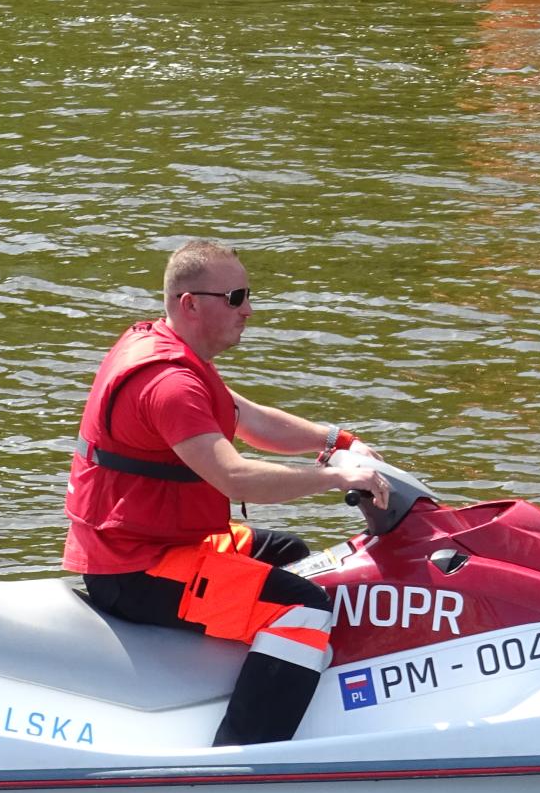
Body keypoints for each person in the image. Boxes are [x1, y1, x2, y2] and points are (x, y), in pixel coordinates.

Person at [63, 239, 388, 746]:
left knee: (289, 553)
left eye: (247, 295)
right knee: (303, 606)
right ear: (189, 304)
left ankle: (256, 679)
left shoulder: (179, 356)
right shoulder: (169, 383)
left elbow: (252, 422)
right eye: (234, 298)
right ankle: (244, 752)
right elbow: (234, 477)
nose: (249, 311)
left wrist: (336, 442)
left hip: (156, 544)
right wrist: (338, 477)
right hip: (133, 568)